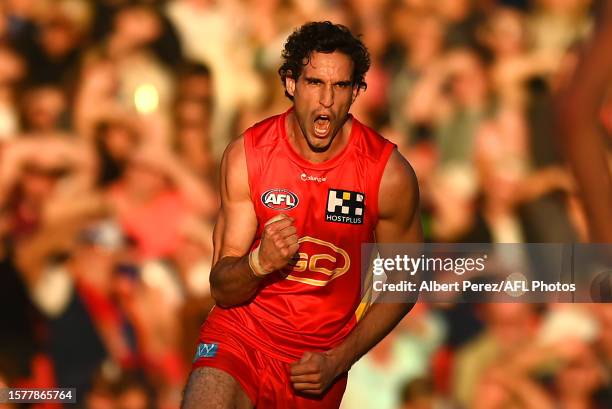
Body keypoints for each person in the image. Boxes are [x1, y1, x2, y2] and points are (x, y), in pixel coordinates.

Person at [181, 21, 422, 409]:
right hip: (242, 335)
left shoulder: (387, 174)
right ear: (291, 83)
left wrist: (339, 360)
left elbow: (404, 282)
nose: (326, 101)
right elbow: (222, 287)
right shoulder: (249, 155)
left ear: (357, 91)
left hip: (315, 365)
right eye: (314, 83)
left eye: (340, 86)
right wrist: (259, 263)